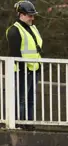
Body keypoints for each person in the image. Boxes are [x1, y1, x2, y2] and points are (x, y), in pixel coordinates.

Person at [6, 1, 42, 131]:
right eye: (29, 15)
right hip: (22, 69)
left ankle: (28, 123)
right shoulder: (14, 30)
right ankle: (18, 122)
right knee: (21, 98)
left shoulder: (32, 27)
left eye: (33, 15)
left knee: (30, 99)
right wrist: (22, 68)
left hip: (34, 68)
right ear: (21, 14)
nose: (32, 18)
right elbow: (15, 53)